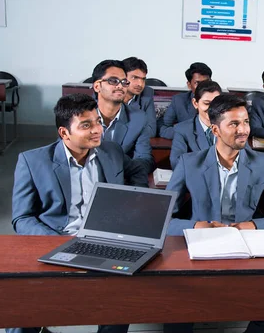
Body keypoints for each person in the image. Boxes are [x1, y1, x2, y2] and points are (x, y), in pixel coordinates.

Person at [9, 93, 147, 333]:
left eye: (97, 122)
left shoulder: (111, 151)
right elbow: (21, 218)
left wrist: (134, 198)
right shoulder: (33, 161)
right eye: (86, 125)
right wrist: (59, 242)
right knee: (23, 305)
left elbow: (137, 170)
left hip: (105, 239)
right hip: (56, 239)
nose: (97, 130)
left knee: (120, 298)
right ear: (64, 133)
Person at [165, 94, 264, 333]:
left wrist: (249, 226)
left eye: (245, 122)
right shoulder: (189, 163)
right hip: (201, 247)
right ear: (215, 130)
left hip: (246, 247)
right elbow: (163, 219)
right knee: (175, 310)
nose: (243, 130)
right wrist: (197, 226)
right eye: (234, 124)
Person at [92, 60, 154, 173]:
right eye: (113, 81)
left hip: (122, 178)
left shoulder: (138, 118)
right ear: (97, 86)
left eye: (124, 82)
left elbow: (144, 159)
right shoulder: (79, 115)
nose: (120, 86)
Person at [169, 80, 222, 169]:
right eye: (207, 103)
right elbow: (176, 162)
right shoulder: (182, 129)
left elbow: (246, 158)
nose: (212, 108)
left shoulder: (231, 127)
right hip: (198, 180)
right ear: (195, 103)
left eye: (216, 104)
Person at [159, 62, 212, 138]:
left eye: (206, 82)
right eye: (197, 83)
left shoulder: (221, 102)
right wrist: (188, 134)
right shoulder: (178, 100)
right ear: (189, 85)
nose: (203, 87)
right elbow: (164, 129)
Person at [122, 56, 157, 138]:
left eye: (143, 79)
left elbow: (151, 131)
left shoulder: (147, 94)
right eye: (135, 78)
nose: (140, 84)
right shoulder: (107, 93)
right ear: (122, 77)